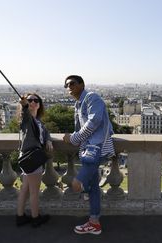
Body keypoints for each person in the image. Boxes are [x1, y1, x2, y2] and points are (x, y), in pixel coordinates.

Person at [63, 75, 115, 235]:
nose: (69, 88)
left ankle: (94, 221)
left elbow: (94, 121)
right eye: (66, 85)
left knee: (76, 184)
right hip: (89, 148)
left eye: (72, 84)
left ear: (81, 84)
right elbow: (80, 126)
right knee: (93, 189)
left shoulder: (91, 97)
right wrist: (73, 136)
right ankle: (94, 222)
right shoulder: (78, 105)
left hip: (95, 148)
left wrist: (73, 138)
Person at [16, 93, 52, 227]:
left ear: (40, 104)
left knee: (25, 189)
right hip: (32, 158)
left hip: (27, 157)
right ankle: (35, 218)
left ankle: (20, 217)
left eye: (36, 100)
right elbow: (26, 116)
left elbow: (45, 131)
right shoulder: (27, 119)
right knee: (34, 192)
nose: (33, 102)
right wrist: (24, 106)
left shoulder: (37, 120)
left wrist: (48, 139)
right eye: (30, 100)